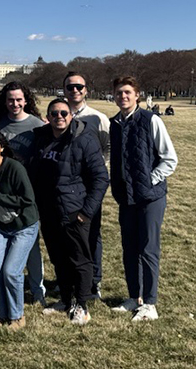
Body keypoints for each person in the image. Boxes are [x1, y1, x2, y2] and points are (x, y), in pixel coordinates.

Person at [30, 99, 109, 325]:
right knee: (58, 257)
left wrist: (86, 211)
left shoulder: (83, 139)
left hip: (74, 209)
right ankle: (65, 299)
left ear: (71, 115)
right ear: (48, 116)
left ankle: (82, 305)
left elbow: (101, 178)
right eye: (54, 113)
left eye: (64, 113)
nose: (59, 117)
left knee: (79, 259)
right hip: (49, 208)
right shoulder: (42, 138)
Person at [110, 77, 177, 321]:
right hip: (126, 197)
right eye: (119, 93)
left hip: (150, 197)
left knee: (148, 249)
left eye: (127, 92)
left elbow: (170, 158)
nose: (123, 97)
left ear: (137, 95)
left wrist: (150, 180)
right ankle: (133, 296)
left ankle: (150, 302)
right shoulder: (114, 124)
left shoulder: (152, 120)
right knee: (129, 248)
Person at [0, 81, 46, 306]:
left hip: (29, 191)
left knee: (32, 244)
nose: (15, 103)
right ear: (5, 101)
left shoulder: (37, 126)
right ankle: (2, 286)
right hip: (4, 193)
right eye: (10, 99)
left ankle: (37, 289)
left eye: (19, 99)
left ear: (26, 100)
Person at [0, 129, 38, 330]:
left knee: (11, 271)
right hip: (1, 226)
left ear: (2, 148)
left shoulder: (15, 168)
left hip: (24, 226)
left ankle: (17, 316)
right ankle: (1, 313)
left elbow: (28, 200)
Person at [63, 71, 111, 300]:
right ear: (64, 90)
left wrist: (100, 166)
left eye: (79, 87)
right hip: (65, 185)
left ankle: (94, 281)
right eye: (70, 87)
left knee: (92, 233)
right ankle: (72, 278)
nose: (75, 90)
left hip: (89, 185)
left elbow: (107, 146)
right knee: (68, 234)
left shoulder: (98, 117)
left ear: (86, 90)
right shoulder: (58, 113)